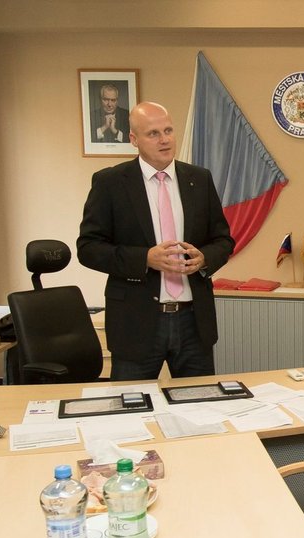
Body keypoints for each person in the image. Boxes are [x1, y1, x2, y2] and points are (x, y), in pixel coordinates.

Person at [78, 102, 234, 380]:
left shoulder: (199, 179)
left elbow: (223, 240)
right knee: (133, 413)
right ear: (134, 140)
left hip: (193, 322)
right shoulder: (111, 183)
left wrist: (205, 258)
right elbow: (88, 248)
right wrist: (144, 259)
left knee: (202, 409)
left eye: (168, 130)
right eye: (153, 134)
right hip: (136, 323)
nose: (164, 140)